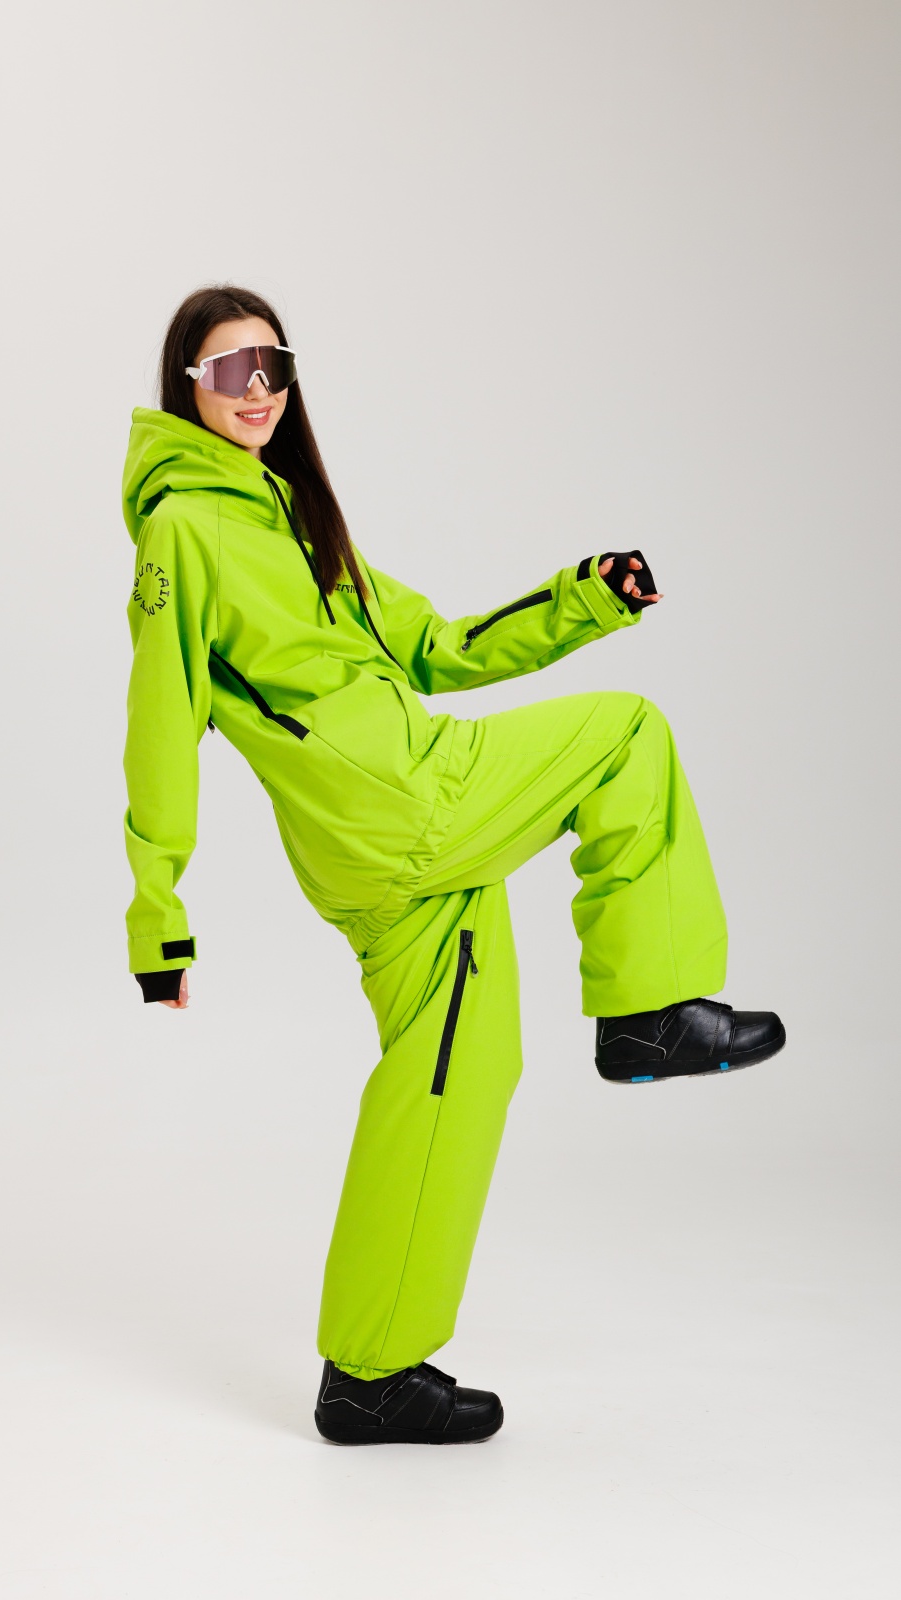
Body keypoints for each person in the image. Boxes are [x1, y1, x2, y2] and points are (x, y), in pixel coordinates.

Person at [121, 283, 785, 1446]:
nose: (258, 391)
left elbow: (438, 647)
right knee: (624, 734)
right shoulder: (185, 530)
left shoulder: (297, 519)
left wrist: (583, 598)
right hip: (399, 809)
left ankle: (368, 1373)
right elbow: (161, 723)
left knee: (452, 1077)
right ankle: (645, 1013)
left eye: (274, 366)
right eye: (230, 371)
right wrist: (157, 919)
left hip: (386, 841)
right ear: (187, 389)